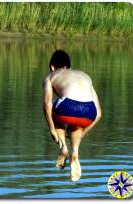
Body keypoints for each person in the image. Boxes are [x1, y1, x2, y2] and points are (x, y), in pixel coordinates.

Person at [43, 50, 101, 181]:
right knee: (78, 124)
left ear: (52, 67)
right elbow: (98, 114)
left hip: (68, 108)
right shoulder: (85, 76)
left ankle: (63, 147)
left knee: (53, 110)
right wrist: (83, 132)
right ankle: (75, 152)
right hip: (90, 111)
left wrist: (52, 129)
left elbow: (47, 104)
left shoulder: (51, 76)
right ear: (69, 66)